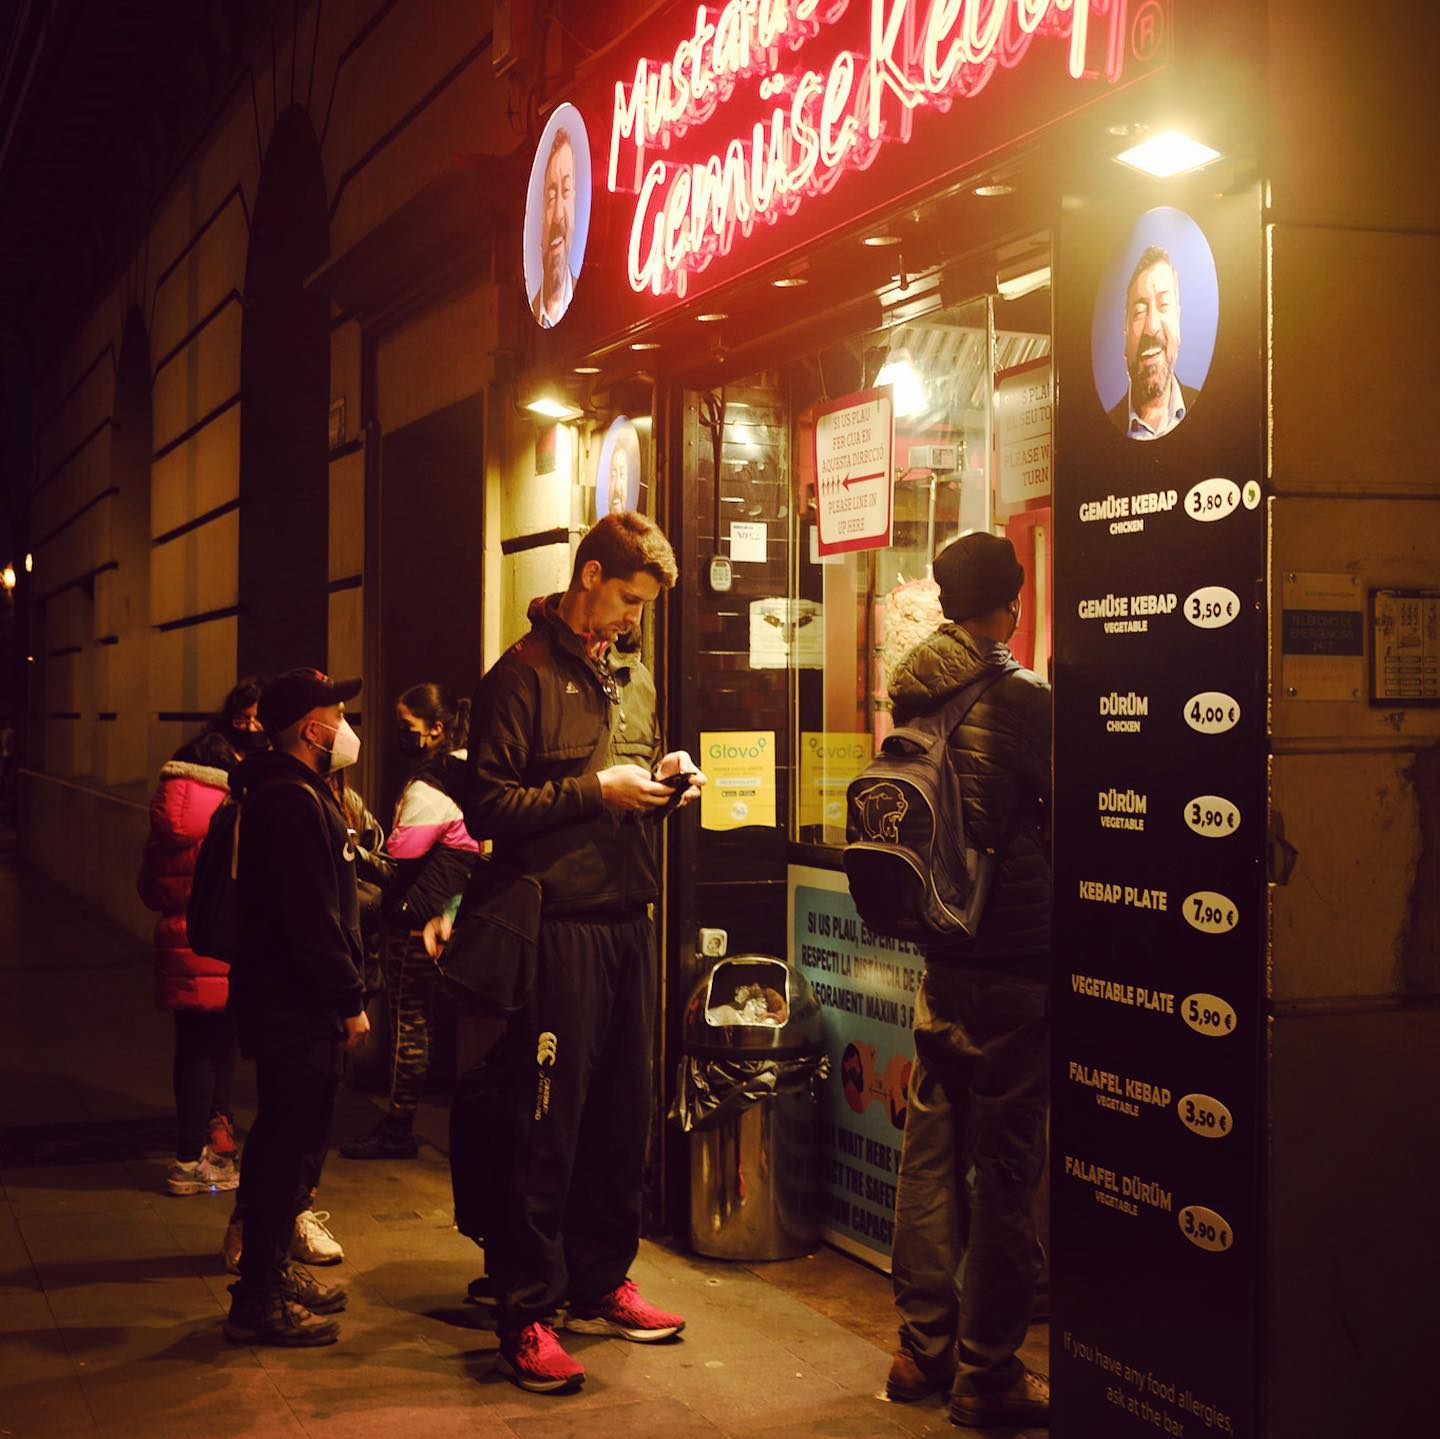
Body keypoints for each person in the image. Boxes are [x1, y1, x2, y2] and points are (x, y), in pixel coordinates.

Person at [465, 512, 705, 1393]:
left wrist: (666, 782)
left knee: (619, 1113)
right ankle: (526, 1311)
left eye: (645, 606)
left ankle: (601, 1280)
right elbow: (487, 807)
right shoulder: (519, 676)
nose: (635, 620)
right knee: (545, 1122)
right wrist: (594, 790)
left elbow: (625, 783)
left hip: (628, 916)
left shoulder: (632, 677)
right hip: (556, 926)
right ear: (591, 575)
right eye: (630, 599)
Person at [883, 532, 1052, 1429]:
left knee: (931, 1153)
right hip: (1014, 964)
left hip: (941, 956)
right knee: (1004, 1174)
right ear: (1010, 602)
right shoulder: (1022, 699)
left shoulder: (915, 688)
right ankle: (989, 1372)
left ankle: (922, 1348)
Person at [222, 668, 369, 1347]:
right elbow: (311, 918)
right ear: (312, 729)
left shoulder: (294, 790)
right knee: (285, 1146)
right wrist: (348, 998)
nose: (346, 726)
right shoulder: (290, 799)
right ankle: (257, 1297)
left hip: (293, 1000)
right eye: (338, 713)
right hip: (297, 1005)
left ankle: (272, 1270)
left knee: (290, 1141)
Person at [137, 679, 265, 1196]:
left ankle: (202, 1148)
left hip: (179, 939)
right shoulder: (231, 807)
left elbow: (148, 887)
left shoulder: (169, 803)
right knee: (214, 1051)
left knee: (192, 1049)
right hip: (222, 941)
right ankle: (191, 1161)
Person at [341, 683, 478, 1160]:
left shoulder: (432, 786)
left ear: (436, 729)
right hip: (450, 915)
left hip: (417, 921)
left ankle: (397, 1128)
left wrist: (351, 851)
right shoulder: (472, 772)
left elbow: (399, 862)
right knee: (424, 1022)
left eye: (407, 725)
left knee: (409, 1024)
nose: (401, 733)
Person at [1106, 244, 1197, 441]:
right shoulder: (1100, 435)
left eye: (1163, 305)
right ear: (1125, 332)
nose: (1152, 326)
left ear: (1178, 320)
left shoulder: (1211, 415)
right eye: (1139, 312)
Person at [531, 126, 577, 327]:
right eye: (550, 197)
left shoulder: (590, 305)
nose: (558, 215)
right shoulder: (527, 308)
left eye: (566, 191)